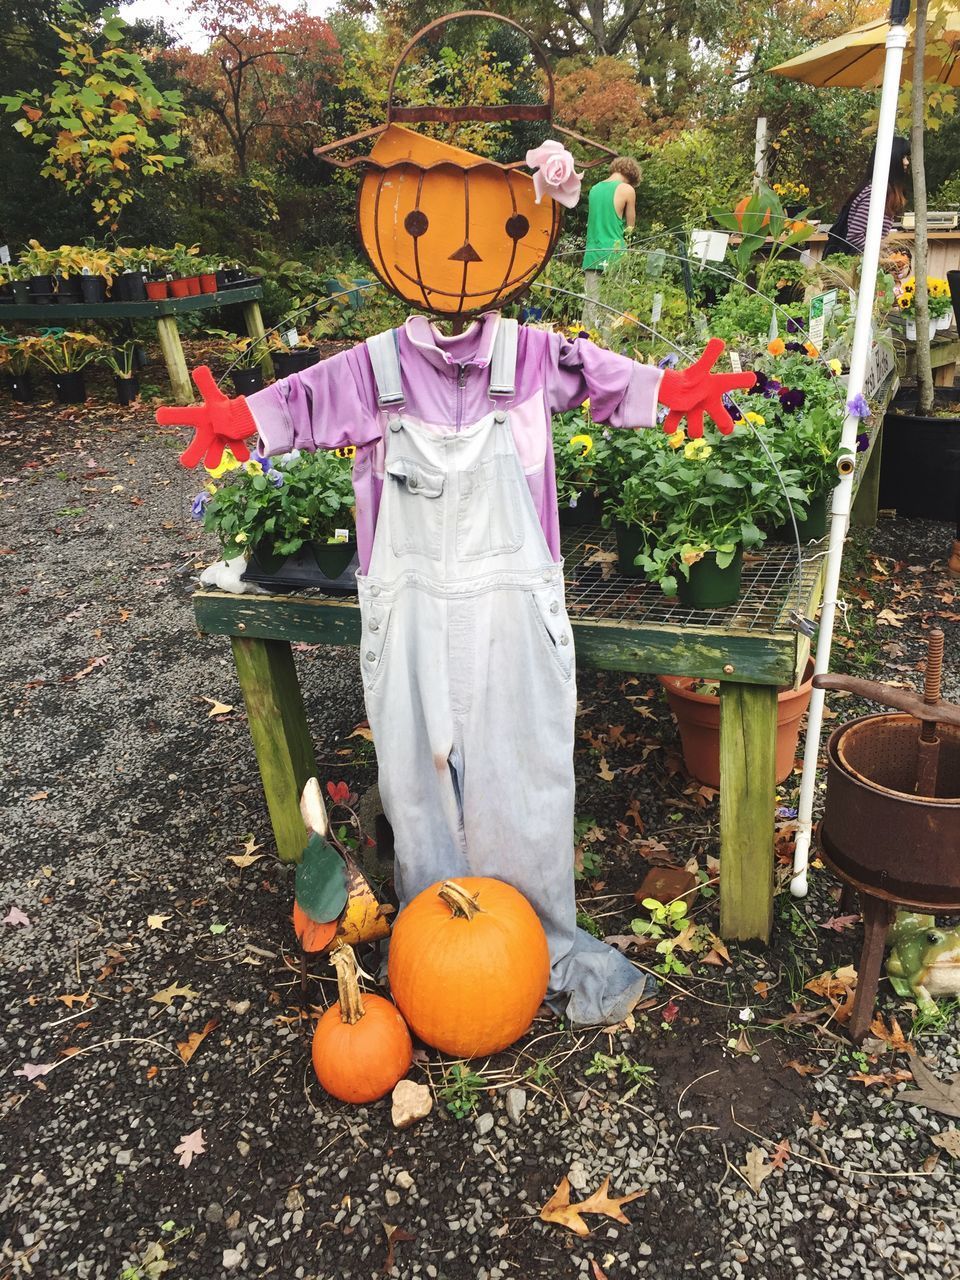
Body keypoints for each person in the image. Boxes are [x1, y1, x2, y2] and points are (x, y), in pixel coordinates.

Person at [823, 137, 911, 259]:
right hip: (852, 268)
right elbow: (854, 236)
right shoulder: (874, 194)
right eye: (903, 157)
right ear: (891, 159)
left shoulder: (882, 192)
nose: (906, 162)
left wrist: (890, 255)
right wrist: (883, 257)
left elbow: (870, 239)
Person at [581, 156, 640, 330]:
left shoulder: (594, 189)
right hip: (615, 254)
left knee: (591, 302)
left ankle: (586, 344)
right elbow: (630, 228)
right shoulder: (627, 190)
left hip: (592, 252)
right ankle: (608, 346)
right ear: (632, 175)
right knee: (613, 305)